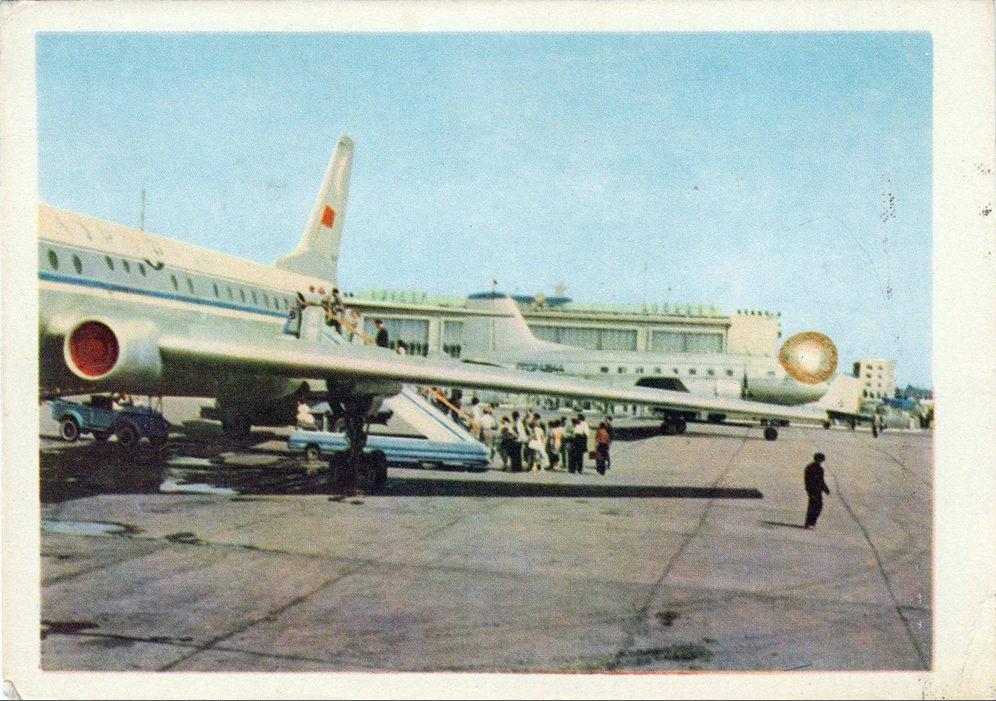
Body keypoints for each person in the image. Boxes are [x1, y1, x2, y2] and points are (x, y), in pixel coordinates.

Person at [804, 452, 831, 528]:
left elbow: (821, 481)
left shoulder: (819, 469)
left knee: (817, 506)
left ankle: (810, 522)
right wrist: (809, 490)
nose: (820, 462)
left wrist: (826, 490)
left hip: (818, 490)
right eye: (820, 460)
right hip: (812, 490)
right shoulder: (810, 468)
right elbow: (807, 480)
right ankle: (810, 523)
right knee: (814, 506)